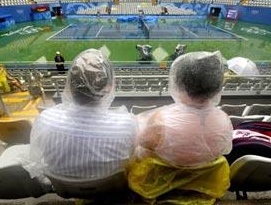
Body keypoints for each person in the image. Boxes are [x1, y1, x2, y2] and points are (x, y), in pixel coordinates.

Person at [128, 51, 233, 203]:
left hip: (160, 190)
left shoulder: (161, 120)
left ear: (178, 81)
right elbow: (224, 150)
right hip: (201, 188)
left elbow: (142, 144)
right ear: (216, 85)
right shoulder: (224, 120)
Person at [27, 49, 137, 181]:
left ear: (70, 85)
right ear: (109, 87)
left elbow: (37, 162)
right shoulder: (127, 125)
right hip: (111, 189)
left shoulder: (45, 120)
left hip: (65, 189)